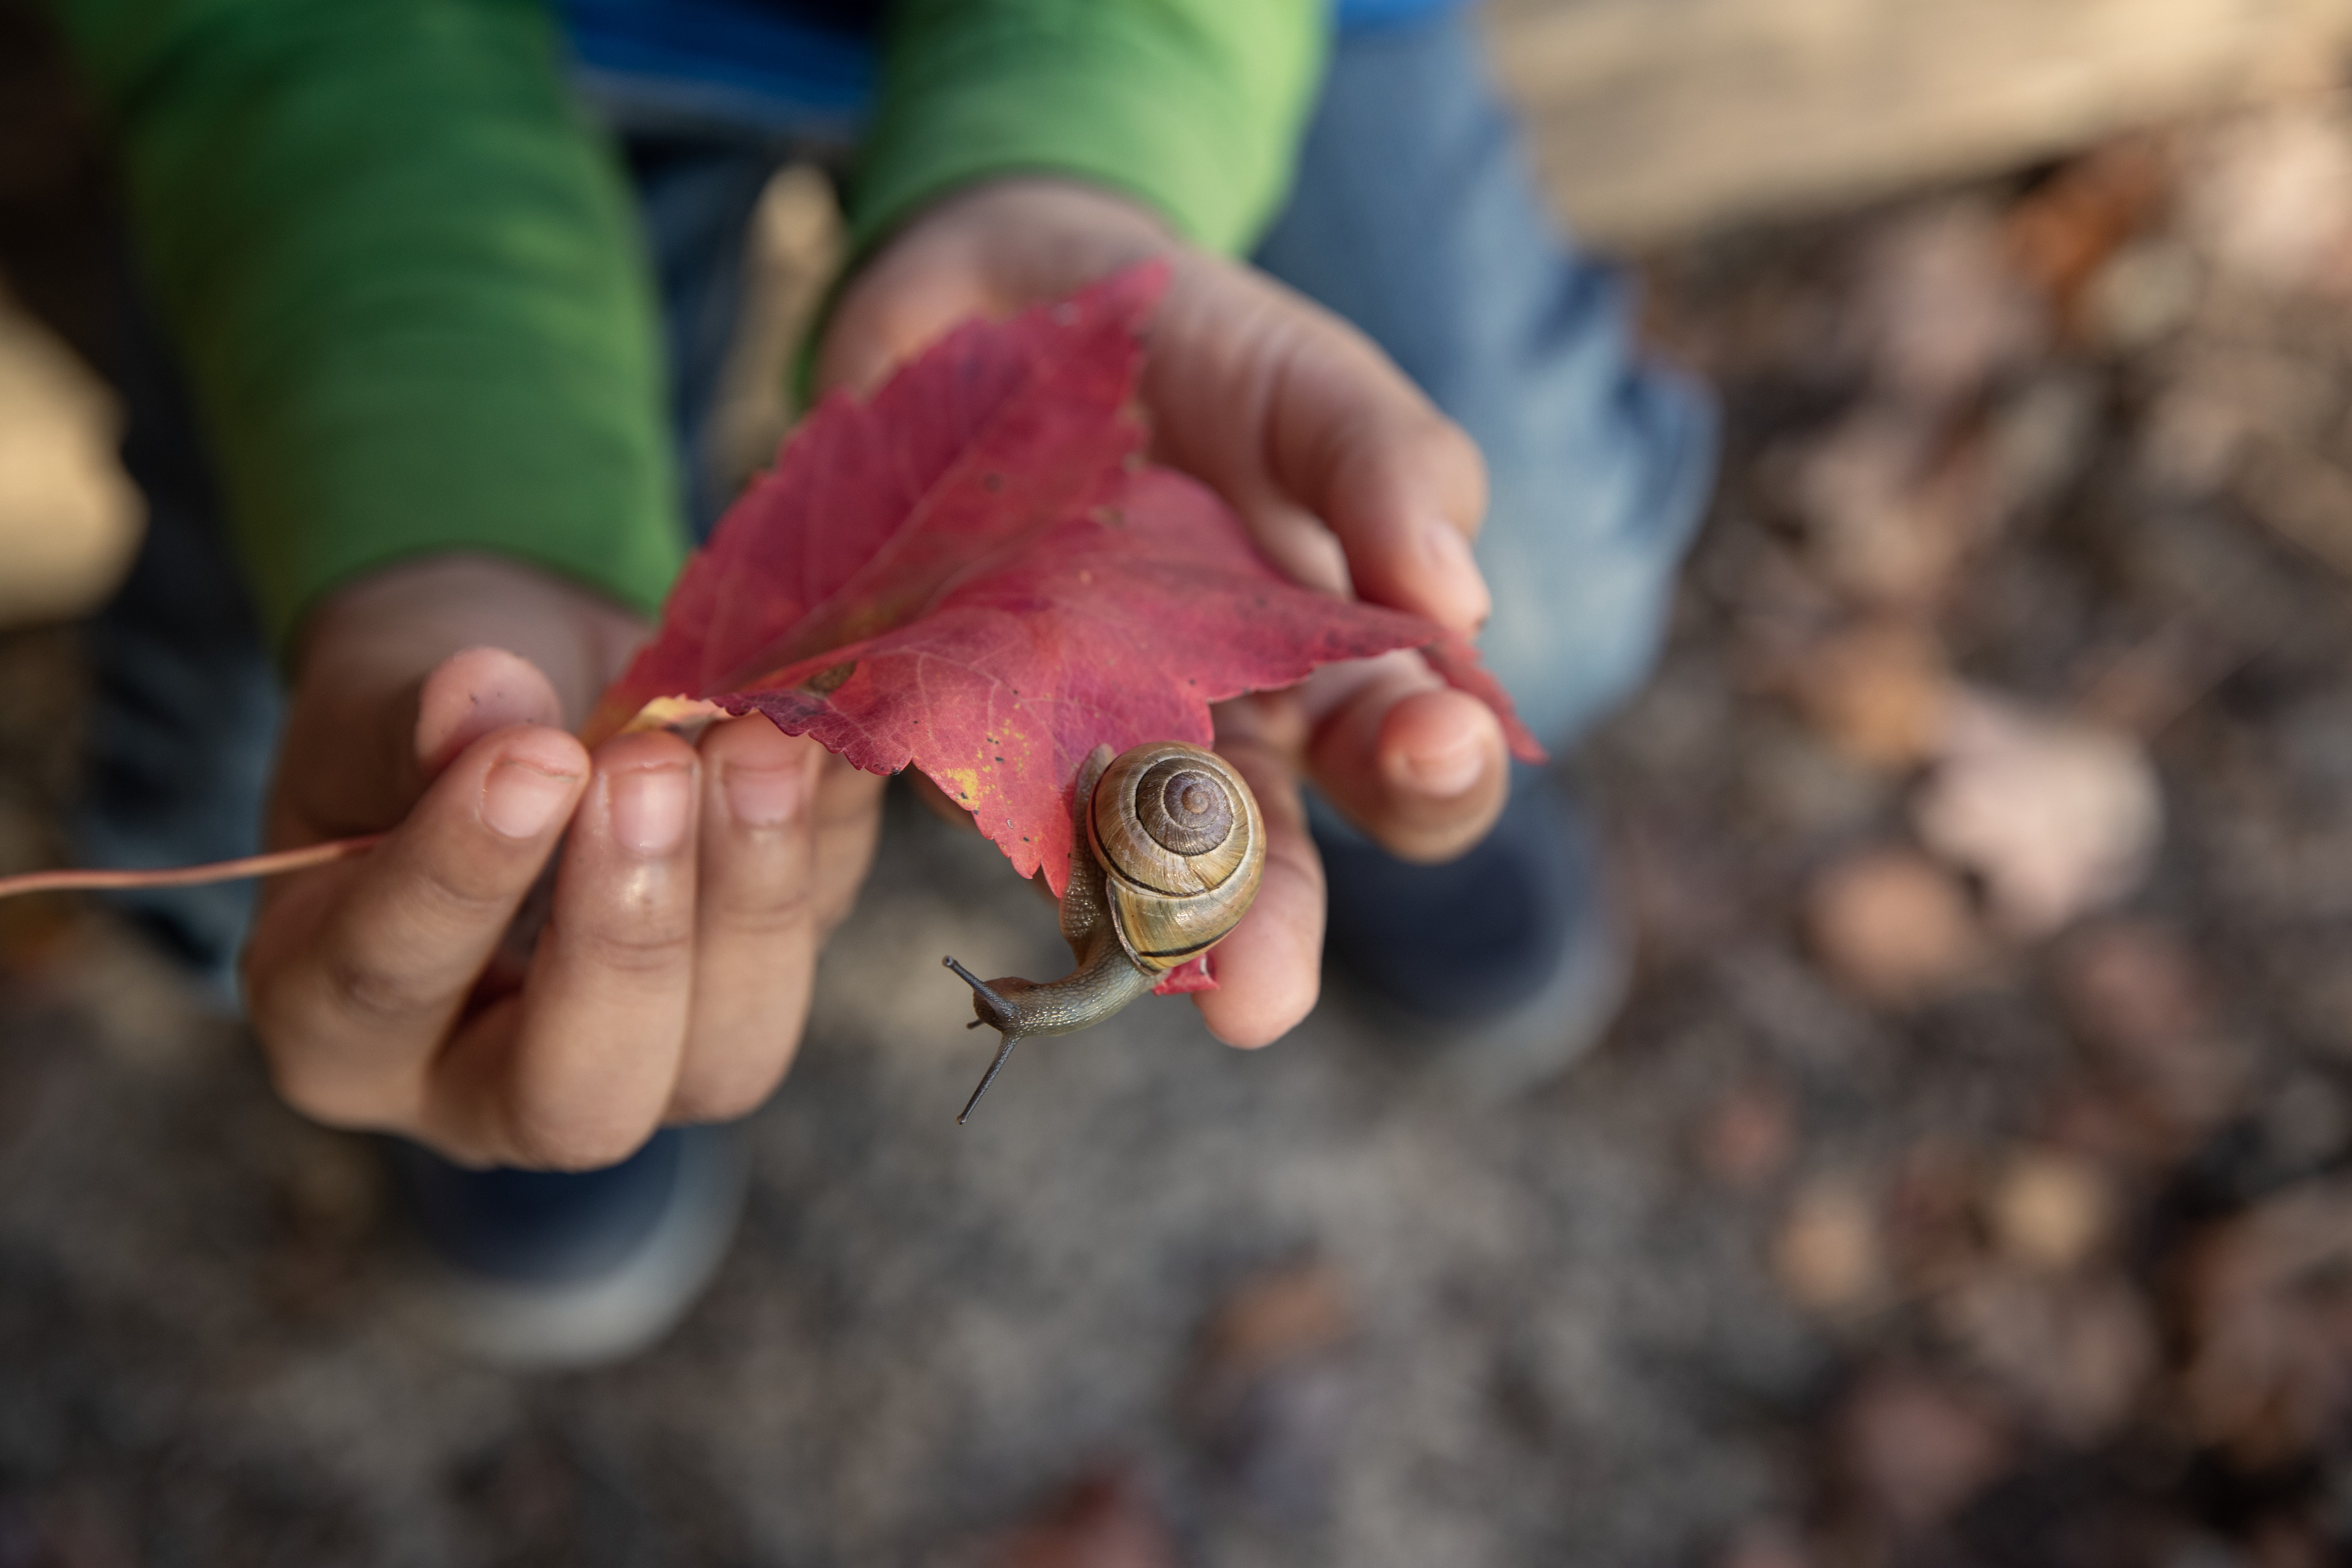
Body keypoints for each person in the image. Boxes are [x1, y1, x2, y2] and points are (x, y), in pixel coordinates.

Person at [44, 0, 1711, 1363]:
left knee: (1516, 589)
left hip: (1174, 46)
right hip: (418, 73)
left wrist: (1090, 143)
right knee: (269, 788)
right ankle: (550, 1012)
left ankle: (1350, 780)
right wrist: (448, 518)